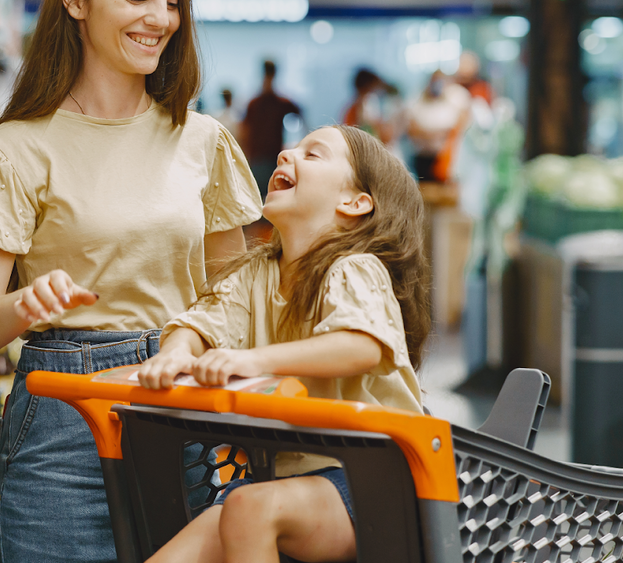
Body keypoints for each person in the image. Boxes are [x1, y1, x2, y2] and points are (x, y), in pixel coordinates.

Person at [0, 0, 263, 563]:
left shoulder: (202, 141)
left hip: (184, 413)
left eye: (172, 1)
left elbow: (235, 295)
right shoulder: (16, 148)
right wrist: (24, 304)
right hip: (64, 423)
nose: (159, 19)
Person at [137, 125, 430, 563]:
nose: (285, 154)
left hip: (377, 482)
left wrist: (253, 360)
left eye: (313, 154)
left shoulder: (354, 268)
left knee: (248, 507)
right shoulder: (255, 273)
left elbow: (361, 345)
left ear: (354, 202)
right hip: (277, 482)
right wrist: (177, 353)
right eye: (293, 147)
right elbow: (202, 322)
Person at [240, 60, 303, 198]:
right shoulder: (262, 103)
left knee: (263, 200)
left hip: (268, 158)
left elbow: (244, 133)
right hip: (263, 158)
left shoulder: (258, 103)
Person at [407, 70, 470, 182]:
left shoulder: (454, 100)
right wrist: (433, 134)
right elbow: (411, 129)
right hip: (423, 155)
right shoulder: (418, 101)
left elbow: (461, 123)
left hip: (444, 157)